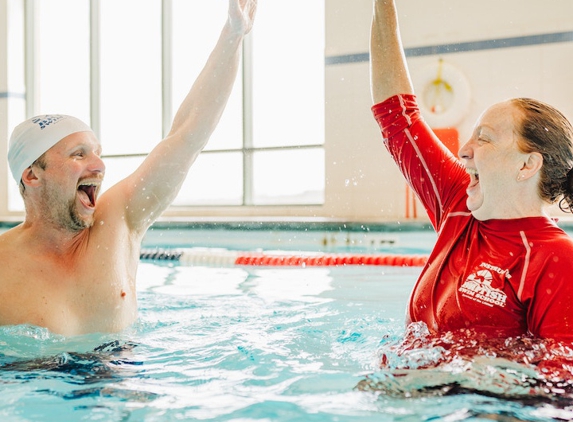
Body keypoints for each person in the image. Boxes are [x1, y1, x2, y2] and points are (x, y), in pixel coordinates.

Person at [0, 0, 257, 336]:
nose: (98, 165)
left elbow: (187, 134)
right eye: (78, 154)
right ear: (33, 175)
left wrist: (232, 36)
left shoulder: (118, 220)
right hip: (32, 382)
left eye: (97, 152)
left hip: (119, 381)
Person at [370, 0, 573, 341]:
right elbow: (396, 115)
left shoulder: (555, 260)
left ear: (527, 165)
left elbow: (558, 383)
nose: (464, 151)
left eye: (485, 140)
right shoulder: (458, 205)